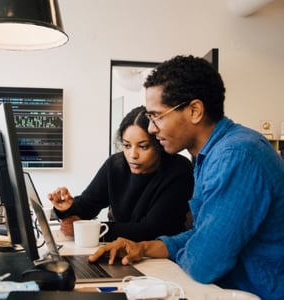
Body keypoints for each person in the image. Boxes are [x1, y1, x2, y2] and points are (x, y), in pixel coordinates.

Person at [89, 55, 284, 300]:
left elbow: (204, 264)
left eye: (156, 116)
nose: (151, 128)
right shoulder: (211, 155)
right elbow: (202, 235)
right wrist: (144, 247)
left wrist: (190, 249)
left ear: (194, 111)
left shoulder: (236, 156)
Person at [48, 106, 194, 242]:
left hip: (163, 258)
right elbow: (88, 204)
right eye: (127, 145)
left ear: (159, 145)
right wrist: (67, 208)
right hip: (123, 250)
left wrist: (90, 231)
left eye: (143, 147)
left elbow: (151, 230)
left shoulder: (179, 170)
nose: (132, 155)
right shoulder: (115, 165)